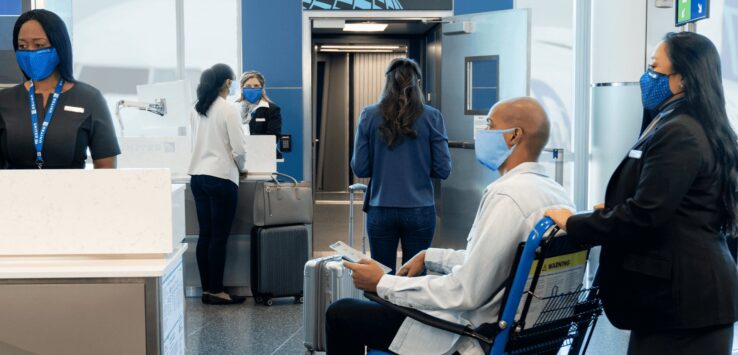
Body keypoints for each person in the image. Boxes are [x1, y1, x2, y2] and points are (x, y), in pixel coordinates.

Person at [327, 97, 575, 355]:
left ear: (514, 136)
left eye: (489, 126)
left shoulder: (507, 196)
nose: (483, 134)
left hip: (474, 335)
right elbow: (496, 260)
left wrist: (382, 283)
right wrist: (429, 256)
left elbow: (465, 291)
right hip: (531, 336)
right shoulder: (557, 195)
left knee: (341, 314)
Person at [545, 32, 738, 355]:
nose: (646, 78)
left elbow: (647, 214)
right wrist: (617, 206)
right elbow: (683, 202)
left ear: (682, 80)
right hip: (690, 297)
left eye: (654, 69)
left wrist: (576, 223)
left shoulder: (680, 130)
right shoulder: (692, 122)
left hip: (685, 301)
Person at [351, 58, 451, 274]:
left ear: (387, 82)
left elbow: (360, 168)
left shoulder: (368, 115)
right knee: (414, 279)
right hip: (420, 209)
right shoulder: (433, 117)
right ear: (418, 84)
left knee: (380, 276)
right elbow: (443, 169)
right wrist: (420, 167)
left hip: (380, 207)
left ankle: (382, 309)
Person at [0, 9, 119, 169]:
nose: (30, 52)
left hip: (73, 193)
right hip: (12, 193)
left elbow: (107, 170)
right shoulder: (4, 100)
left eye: (39, 45)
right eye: (22, 46)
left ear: (59, 46)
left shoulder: (89, 99)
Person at [188, 63, 248, 305]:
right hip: (221, 177)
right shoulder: (228, 109)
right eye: (231, 81)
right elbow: (239, 148)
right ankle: (216, 290)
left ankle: (206, 289)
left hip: (198, 177)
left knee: (206, 235)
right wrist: (242, 168)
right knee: (219, 237)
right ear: (226, 82)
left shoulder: (197, 108)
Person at [237, 70, 282, 158]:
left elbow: (273, 138)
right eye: (248, 86)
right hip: (238, 158)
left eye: (256, 86)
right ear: (242, 88)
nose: (252, 88)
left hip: (263, 157)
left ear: (262, 88)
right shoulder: (234, 109)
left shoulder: (272, 109)